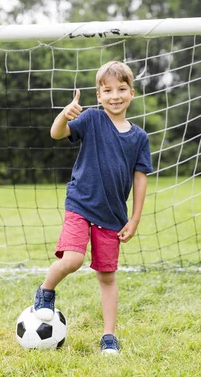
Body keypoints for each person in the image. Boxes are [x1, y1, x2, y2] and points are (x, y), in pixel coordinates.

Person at [33, 60, 153, 355]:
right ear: (98, 96)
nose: (115, 95)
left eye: (121, 89)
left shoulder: (139, 138)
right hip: (80, 204)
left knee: (107, 277)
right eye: (107, 90)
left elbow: (140, 180)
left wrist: (134, 219)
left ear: (132, 93)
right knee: (72, 260)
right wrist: (64, 115)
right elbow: (56, 134)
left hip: (112, 216)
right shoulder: (91, 119)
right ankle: (46, 291)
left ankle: (109, 336)